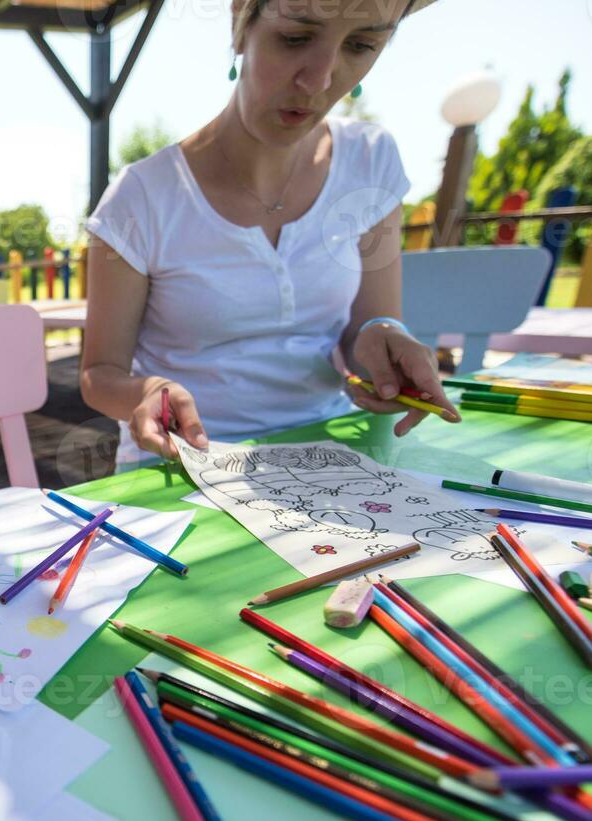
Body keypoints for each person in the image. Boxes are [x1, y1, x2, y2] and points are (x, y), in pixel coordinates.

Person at [81, 0, 457, 472]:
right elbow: (99, 375)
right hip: (185, 465)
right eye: (295, 38)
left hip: (329, 454)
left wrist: (385, 345)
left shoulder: (372, 160)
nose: (320, 79)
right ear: (241, 23)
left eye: (361, 45)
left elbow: (366, 328)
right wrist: (146, 393)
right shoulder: (140, 198)